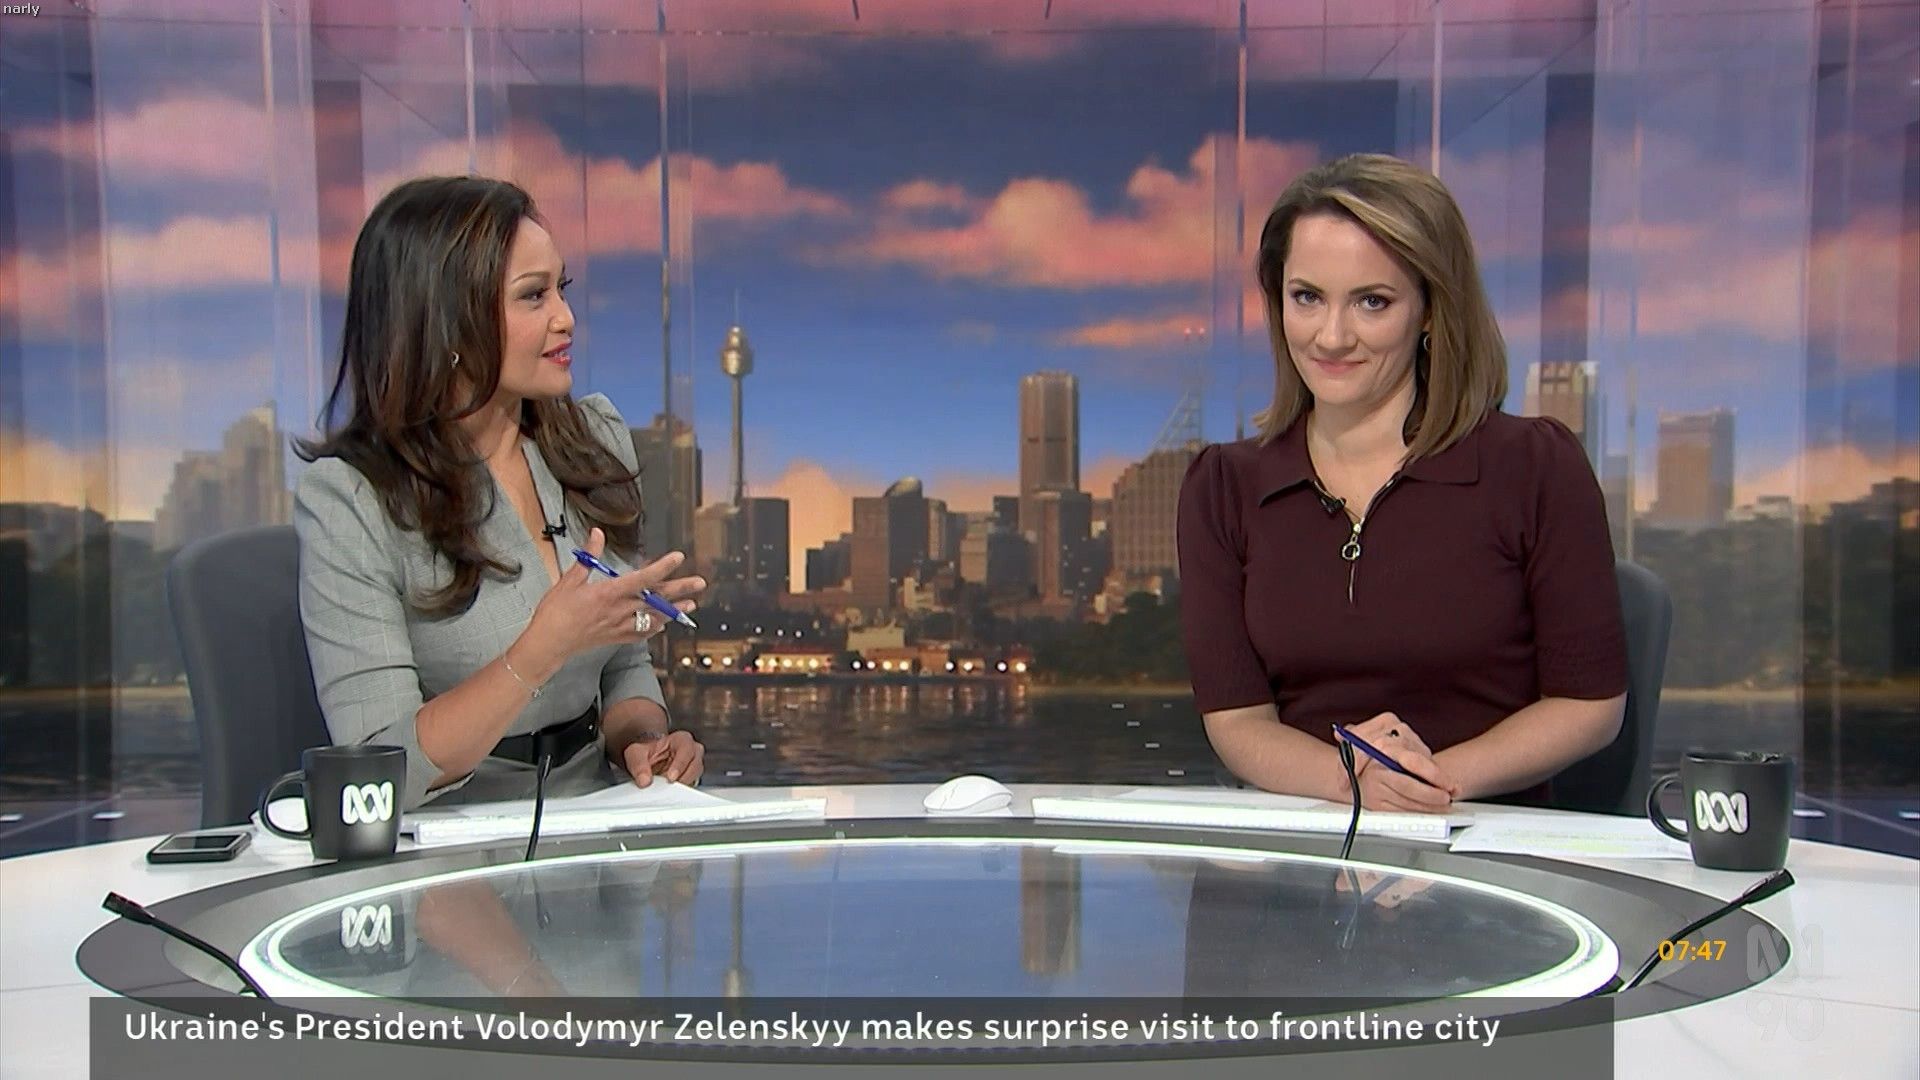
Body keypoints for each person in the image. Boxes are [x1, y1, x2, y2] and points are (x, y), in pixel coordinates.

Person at [1177, 153, 1627, 813]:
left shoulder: (1534, 466)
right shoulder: (1222, 487)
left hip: (1483, 832)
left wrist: (1421, 784)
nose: (1332, 336)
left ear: (1429, 310)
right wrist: (1350, 781)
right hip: (1310, 833)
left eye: (1373, 302)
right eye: (1307, 297)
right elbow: (1238, 722)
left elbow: (1589, 704)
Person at [294, 176, 706, 813]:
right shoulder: (352, 501)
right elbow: (378, 765)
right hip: (445, 832)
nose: (565, 318)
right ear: (447, 321)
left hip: (595, 815)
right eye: (533, 296)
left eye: (562, 289)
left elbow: (624, 665)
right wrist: (540, 650)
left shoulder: (593, 443)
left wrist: (644, 741)